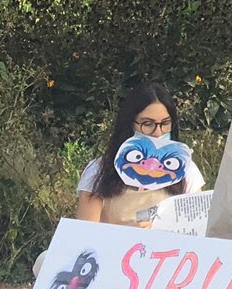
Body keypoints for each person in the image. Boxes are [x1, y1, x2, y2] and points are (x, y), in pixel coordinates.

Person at [75, 81, 205, 225]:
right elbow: (86, 233)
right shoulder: (99, 171)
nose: (157, 132)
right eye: (147, 124)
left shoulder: (186, 171)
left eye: (165, 123)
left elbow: (196, 227)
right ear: (130, 124)